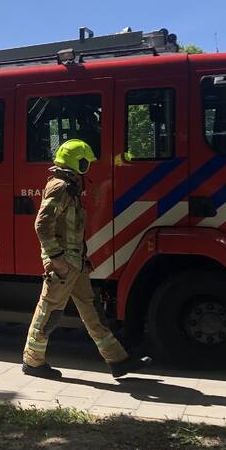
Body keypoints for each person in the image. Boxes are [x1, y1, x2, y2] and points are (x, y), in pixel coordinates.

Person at [22, 139, 151, 380]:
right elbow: (42, 225)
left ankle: (118, 360)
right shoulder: (59, 187)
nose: (88, 167)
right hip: (64, 264)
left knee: (92, 312)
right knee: (49, 311)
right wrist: (57, 259)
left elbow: (71, 229)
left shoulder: (69, 187)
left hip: (75, 263)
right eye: (85, 162)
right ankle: (32, 361)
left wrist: (81, 259)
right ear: (77, 163)